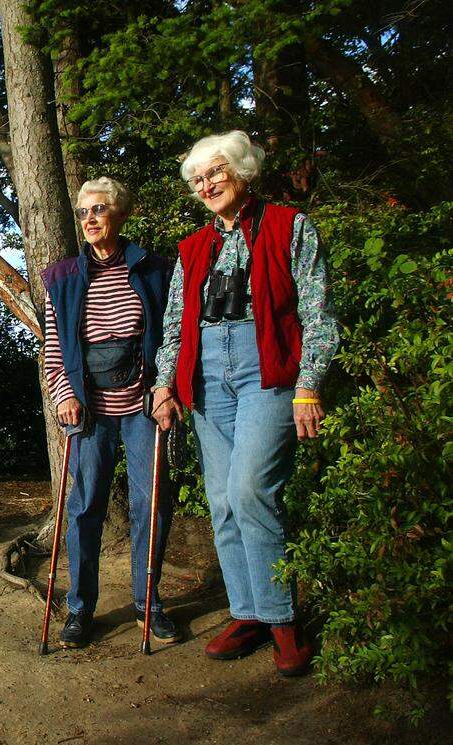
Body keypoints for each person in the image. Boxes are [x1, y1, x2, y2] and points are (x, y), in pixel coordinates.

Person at [150, 131, 340, 677]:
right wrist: (165, 384)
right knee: (222, 500)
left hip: (268, 368)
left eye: (216, 171)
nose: (207, 184)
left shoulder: (289, 225)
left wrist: (309, 384)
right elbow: (174, 324)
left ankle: (281, 619)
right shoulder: (192, 248)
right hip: (207, 373)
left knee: (251, 489)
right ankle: (248, 612)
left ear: (242, 170)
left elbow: (319, 311)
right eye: (198, 178)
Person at [42, 177, 177, 648]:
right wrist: (64, 395)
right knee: (84, 508)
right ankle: (80, 608)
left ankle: (147, 601)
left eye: (99, 209)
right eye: (84, 212)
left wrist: (166, 389)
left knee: (151, 503)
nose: (90, 219)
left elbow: (172, 334)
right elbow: (54, 349)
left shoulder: (154, 270)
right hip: (88, 409)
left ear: (120, 213)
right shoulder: (62, 278)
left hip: (143, 404)